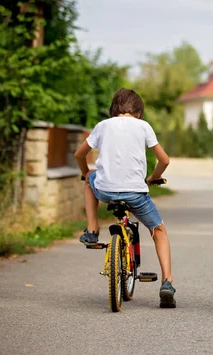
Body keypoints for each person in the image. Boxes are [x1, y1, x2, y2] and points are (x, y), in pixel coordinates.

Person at [74, 88, 176, 308]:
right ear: (138, 112)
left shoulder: (103, 126)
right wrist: (153, 177)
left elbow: (79, 154)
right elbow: (164, 160)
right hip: (136, 193)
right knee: (158, 230)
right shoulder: (143, 126)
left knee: (89, 182)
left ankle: (92, 230)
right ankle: (167, 282)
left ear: (114, 110)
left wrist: (87, 173)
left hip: (105, 189)